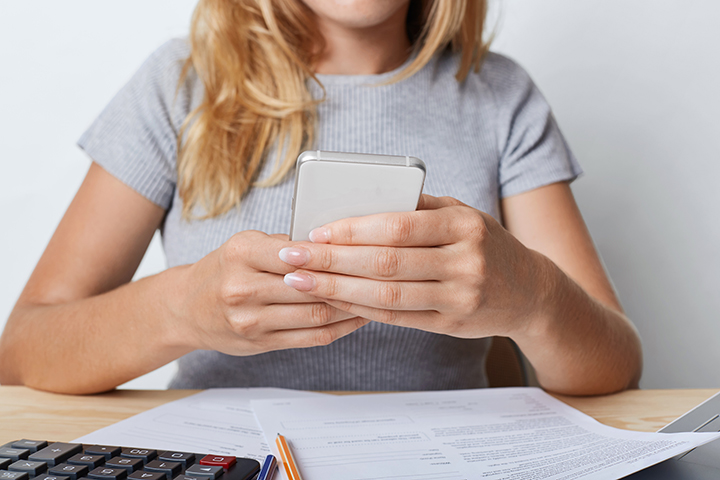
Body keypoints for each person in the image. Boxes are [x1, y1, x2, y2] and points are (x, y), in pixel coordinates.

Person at [0, 0, 642, 395]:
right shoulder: (180, 86)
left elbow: (616, 365)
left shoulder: (500, 96)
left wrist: (530, 293)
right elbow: (22, 352)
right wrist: (181, 309)